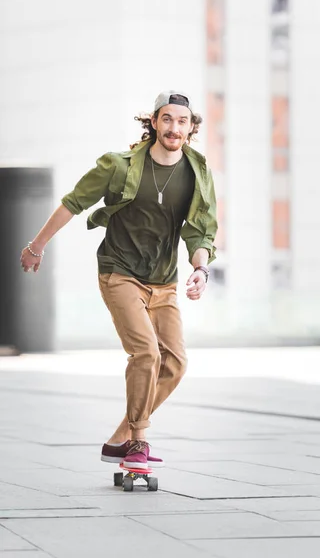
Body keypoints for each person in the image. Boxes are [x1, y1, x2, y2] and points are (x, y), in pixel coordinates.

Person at [20, 91, 217, 469]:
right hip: (119, 270)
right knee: (146, 352)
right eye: (167, 119)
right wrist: (36, 246)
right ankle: (138, 441)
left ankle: (120, 438)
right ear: (154, 122)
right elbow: (73, 203)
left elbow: (201, 230)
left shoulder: (199, 172)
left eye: (182, 121)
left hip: (164, 280)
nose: (174, 127)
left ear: (191, 128)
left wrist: (200, 269)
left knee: (174, 364)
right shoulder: (120, 165)